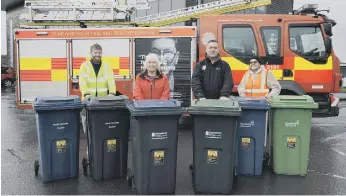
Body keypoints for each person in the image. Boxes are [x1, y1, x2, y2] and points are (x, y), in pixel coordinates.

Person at [78, 43, 116, 133]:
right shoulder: (85, 65)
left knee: (102, 123)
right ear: (91, 53)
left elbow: (111, 81)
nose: (98, 55)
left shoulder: (106, 66)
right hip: (88, 100)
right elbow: (82, 81)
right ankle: (89, 144)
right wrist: (86, 94)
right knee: (87, 122)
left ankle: (100, 141)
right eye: (95, 52)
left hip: (102, 100)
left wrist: (112, 94)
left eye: (99, 52)